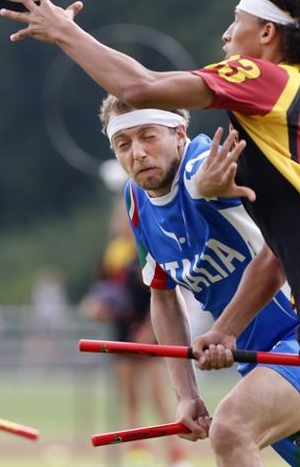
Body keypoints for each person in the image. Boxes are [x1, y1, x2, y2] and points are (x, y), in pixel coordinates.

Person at [0, 0, 300, 466]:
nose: (224, 37)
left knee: (236, 428)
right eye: (123, 143)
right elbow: (271, 245)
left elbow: (139, 87)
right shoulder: (276, 108)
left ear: (266, 33)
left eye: (234, 24)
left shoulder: (265, 79)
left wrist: (64, 31)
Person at [101, 94, 300, 466]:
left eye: (148, 136)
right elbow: (162, 295)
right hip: (260, 360)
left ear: (180, 133)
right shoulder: (136, 200)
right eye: (123, 144)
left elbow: (222, 175)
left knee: (231, 428)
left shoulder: (202, 162)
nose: (138, 153)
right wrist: (186, 393)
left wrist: (218, 188)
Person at [81, 198, 189, 467]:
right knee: (129, 394)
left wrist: (150, 331)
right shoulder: (112, 254)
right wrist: (96, 307)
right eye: (117, 216)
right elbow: (102, 292)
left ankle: (176, 454)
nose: (121, 221)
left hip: (149, 330)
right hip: (121, 333)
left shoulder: (147, 246)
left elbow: (163, 294)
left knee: (158, 394)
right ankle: (137, 452)